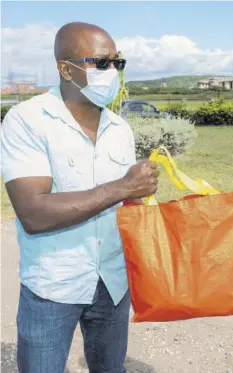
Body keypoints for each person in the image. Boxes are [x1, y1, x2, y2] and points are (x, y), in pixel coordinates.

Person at [1, 22, 159, 373]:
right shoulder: (27, 120)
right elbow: (33, 212)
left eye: (117, 63)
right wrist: (123, 188)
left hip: (113, 282)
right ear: (65, 68)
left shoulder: (120, 129)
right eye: (100, 63)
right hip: (53, 285)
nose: (112, 72)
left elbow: (127, 206)